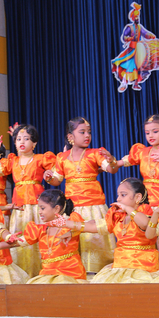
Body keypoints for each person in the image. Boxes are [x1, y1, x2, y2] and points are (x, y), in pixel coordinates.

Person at [44, 117, 118, 274]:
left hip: (94, 206)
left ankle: (98, 273)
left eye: (89, 132)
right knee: (74, 242)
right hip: (72, 208)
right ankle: (76, 272)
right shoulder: (62, 157)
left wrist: (111, 160)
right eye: (82, 132)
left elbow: (111, 169)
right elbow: (57, 180)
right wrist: (49, 178)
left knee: (95, 240)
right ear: (71, 137)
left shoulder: (95, 153)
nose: (87, 136)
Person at [0, 125, 56, 277]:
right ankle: (21, 273)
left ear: (34, 143)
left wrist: (50, 175)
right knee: (19, 237)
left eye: (26, 139)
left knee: (38, 236)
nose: (22, 142)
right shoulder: (13, 160)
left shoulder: (40, 158)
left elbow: (57, 172)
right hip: (19, 207)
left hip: (38, 206)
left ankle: (43, 271)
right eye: (18, 139)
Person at [118, 114, 159, 266]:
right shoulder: (142, 152)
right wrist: (109, 163)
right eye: (147, 133)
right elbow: (121, 162)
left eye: (155, 131)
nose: (150, 136)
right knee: (148, 239)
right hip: (147, 204)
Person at [77, 178, 159, 283]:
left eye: (123, 195)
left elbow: (145, 224)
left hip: (144, 268)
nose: (118, 199)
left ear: (138, 197)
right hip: (120, 267)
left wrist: (127, 208)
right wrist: (67, 224)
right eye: (118, 195)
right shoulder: (118, 216)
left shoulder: (146, 212)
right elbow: (94, 225)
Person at [17, 189, 88, 284]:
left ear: (56, 209)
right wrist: (6, 236)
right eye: (39, 209)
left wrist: (72, 232)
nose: (39, 212)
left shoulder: (71, 224)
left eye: (42, 208)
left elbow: (87, 226)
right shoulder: (40, 230)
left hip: (70, 274)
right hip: (47, 275)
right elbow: (19, 241)